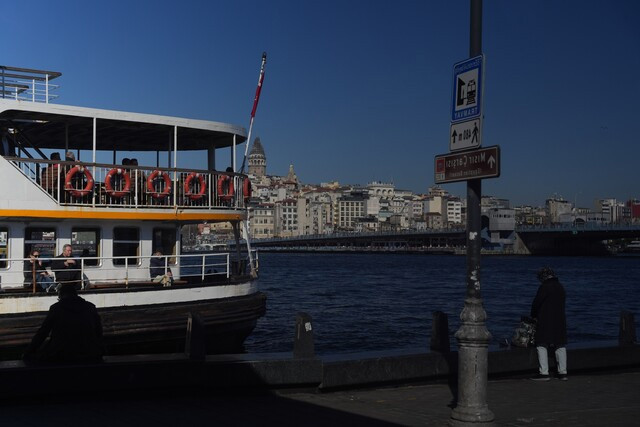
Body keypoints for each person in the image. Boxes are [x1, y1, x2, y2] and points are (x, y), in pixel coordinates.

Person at [22, 284, 103, 364]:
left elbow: (43, 332)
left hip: (61, 353)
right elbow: (98, 331)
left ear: (61, 295)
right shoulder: (90, 307)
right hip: (89, 352)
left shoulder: (56, 308)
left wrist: (29, 351)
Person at [530, 267, 568, 381]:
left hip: (545, 319)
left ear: (543, 277)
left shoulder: (544, 287)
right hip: (560, 319)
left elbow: (537, 303)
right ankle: (563, 372)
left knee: (541, 344)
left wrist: (533, 315)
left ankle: (544, 373)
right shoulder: (560, 287)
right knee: (560, 344)